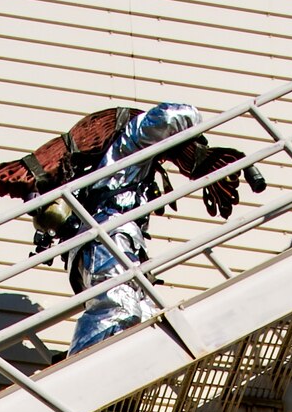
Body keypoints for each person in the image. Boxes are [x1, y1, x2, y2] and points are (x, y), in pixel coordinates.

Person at [38, 103, 254, 356]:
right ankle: (83, 367)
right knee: (118, 309)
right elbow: (175, 114)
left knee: (150, 318)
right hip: (109, 239)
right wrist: (193, 141)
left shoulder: (117, 167)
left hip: (119, 242)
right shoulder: (127, 146)